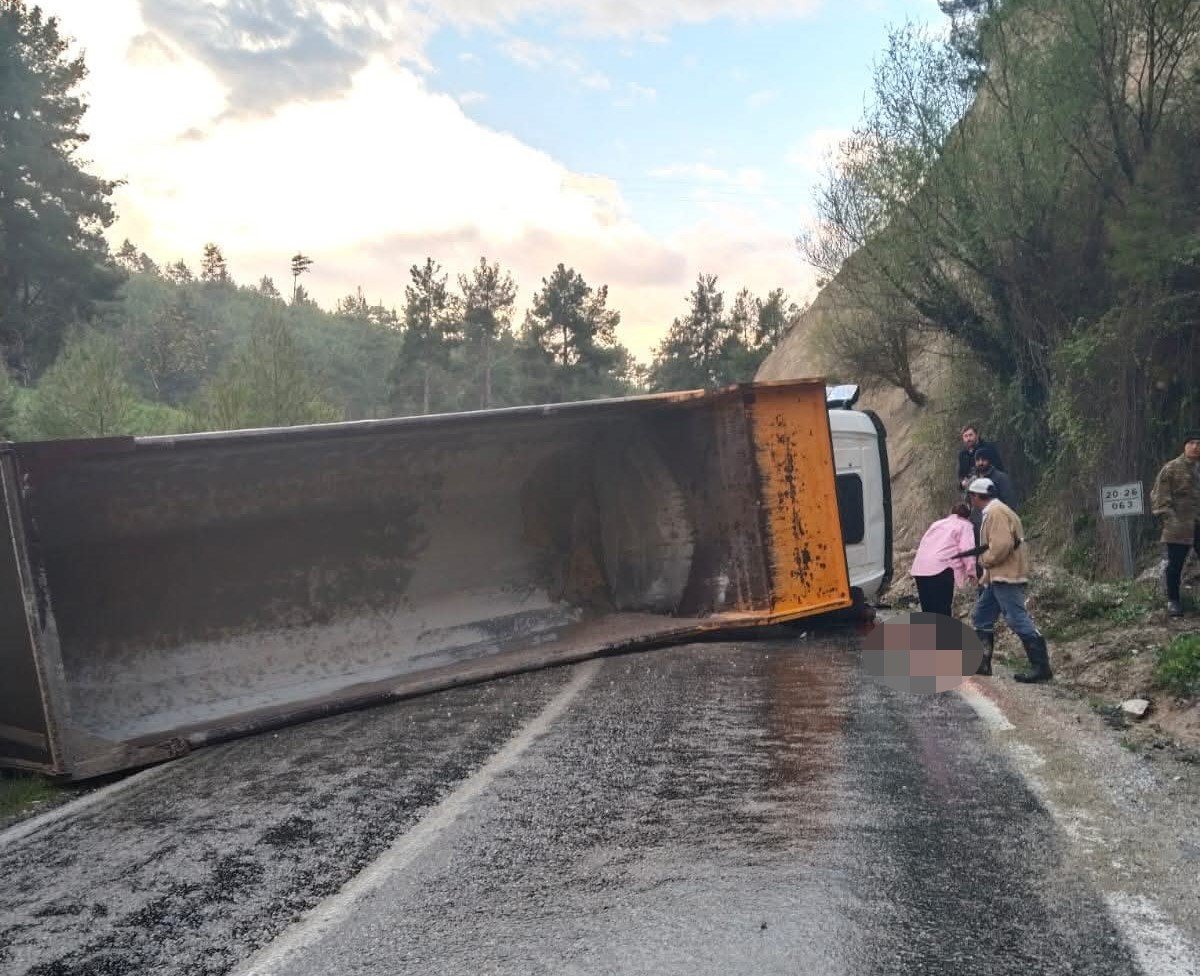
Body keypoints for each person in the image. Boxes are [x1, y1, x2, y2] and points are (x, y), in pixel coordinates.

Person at [967, 477, 1051, 682]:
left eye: (971, 496)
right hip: (998, 576)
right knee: (981, 615)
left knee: (1016, 618)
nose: (970, 500)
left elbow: (1001, 546)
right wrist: (987, 575)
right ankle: (982, 663)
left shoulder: (996, 513)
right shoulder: (998, 511)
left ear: (976, 496)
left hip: (1007, 576)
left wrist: (984, 561)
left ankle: (1041, 668)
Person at [1151, 430, 1200, 617]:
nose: (1196, 447)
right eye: (1192, 443)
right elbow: (1160, 497)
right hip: (1178, 525)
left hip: (1198, 522)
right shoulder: (1171, 468)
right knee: (1175, 565)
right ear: (1185, 446)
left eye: (1199, 443)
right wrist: (1170, 518)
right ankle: (1173, 601)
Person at [910, 503, 978, 617]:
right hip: (941, 569)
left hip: (920, 568)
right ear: (968, 516)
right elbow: (967, 550)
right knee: (942, 610)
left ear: (952, 512)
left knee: (928, 610)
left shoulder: (937, 523)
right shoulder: (965, 525)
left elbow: (924, 543)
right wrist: (972, 572)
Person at [957, 425, 1005, 490]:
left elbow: (999, 468)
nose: (968, 439)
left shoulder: (988, 448)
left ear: (976, 435)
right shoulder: (962, 455)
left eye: (970, 435)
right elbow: (961, 475)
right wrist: (963, 483)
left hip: (991, 488)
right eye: (965, 436)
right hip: (972, 491)